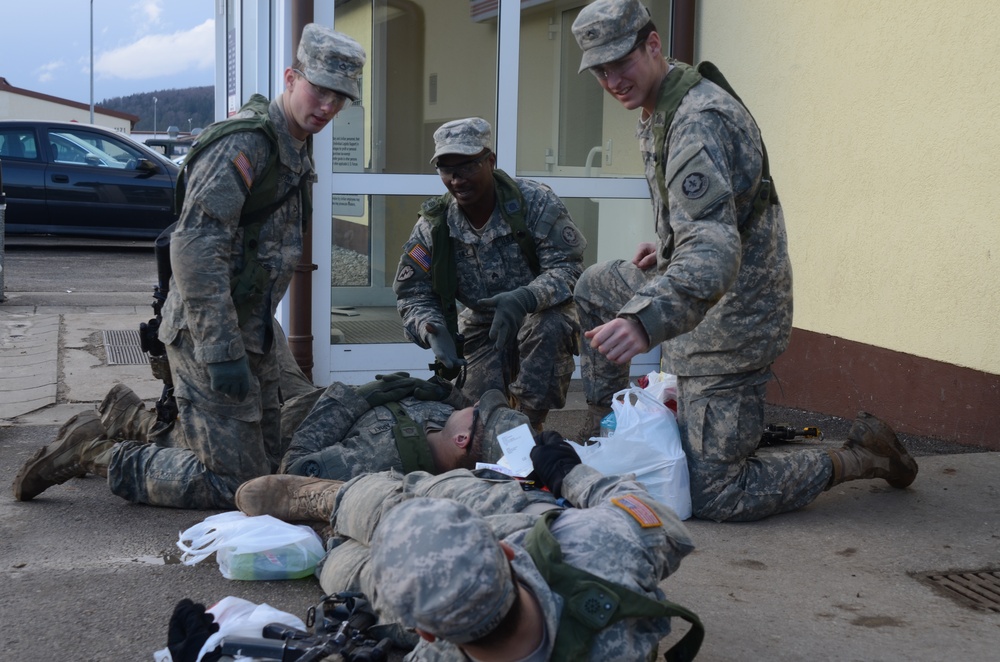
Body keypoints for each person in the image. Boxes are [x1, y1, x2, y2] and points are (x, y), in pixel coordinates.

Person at [569, 0, 918, 521]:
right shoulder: (661, 104)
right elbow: (711, 213)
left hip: (735, 316)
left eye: (621, 61)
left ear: (653, 44)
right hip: (695, 284)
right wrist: (666, 241)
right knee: (596, 286)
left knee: (715, 493)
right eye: (600, 69)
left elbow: (715, 250)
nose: (613, 79)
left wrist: (644, 320)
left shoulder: (697, 120)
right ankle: (609, 427)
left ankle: (860, 455)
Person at [12, 24, 366, 509]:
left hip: (252, 330)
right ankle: (94, 452)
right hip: (208, 332)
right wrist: (220, 351)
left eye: (339, 97)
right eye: (319, 90)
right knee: (235, 486)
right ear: (290, 78)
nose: (327, 106)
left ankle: (128, 417)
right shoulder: (245, 145)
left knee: (266, 466)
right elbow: (196, 247)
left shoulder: (294, 143)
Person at [234, 432, 700, 661]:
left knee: (357, 573)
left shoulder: (435, 657)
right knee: (461, 500)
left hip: (507, 530)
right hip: (537, 524)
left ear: (431, 639)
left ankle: (336, 521)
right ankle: (340, 504)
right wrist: (566, 473)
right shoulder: (601, 544)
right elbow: (667, 527)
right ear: (510, 553)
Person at [393, 117, 586, 431]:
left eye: (468, 166)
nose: (457, 180)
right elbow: (413, 293)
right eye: (447, 170)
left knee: (549, 328)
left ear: (490, 161)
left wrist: (525, 297)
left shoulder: (534, 202)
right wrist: (431, 329)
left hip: (540, 311)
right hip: (484, 322)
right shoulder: (435, 224)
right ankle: (496, 430)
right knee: (478, 416)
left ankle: (530, 426)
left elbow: (569, 268)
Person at [232, 383, 533, 520]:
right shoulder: (448, 424)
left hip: (296, 411)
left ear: (462, 439)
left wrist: (353, 400)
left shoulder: (374, 460)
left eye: (478, 410)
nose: (476, 403)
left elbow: (294, 469)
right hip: (317, 392)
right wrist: (444, 391)